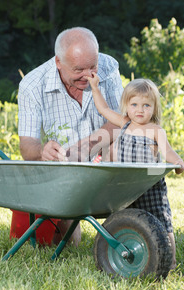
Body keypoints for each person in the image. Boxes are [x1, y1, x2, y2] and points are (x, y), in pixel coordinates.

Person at [17, 27, 124, 246]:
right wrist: (42, 151)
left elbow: (121, 120)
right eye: (78, 70)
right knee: (64, 246)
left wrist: (86, 147)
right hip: (63, 171)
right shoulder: (31, 86)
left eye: (92, 66)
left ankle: (121, 227)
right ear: (58, 62)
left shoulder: (108, 66)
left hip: (105, 160)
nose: (88, 75)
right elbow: (27, 146)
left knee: (120, 149)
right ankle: (68, 227)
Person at [87, 72, 184, 269]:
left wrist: (178, 163)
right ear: (127, 106)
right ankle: (125, 254)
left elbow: (167, 151)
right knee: (124, 220)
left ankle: (170, 261)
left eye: (146, 105)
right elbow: (103, 109)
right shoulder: (124, 123)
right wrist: (95, 88)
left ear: (154, 108)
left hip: (150, 186)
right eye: (134, 105)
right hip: (126, 187)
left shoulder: (156, 130)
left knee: (162, 222)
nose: (140, 110)